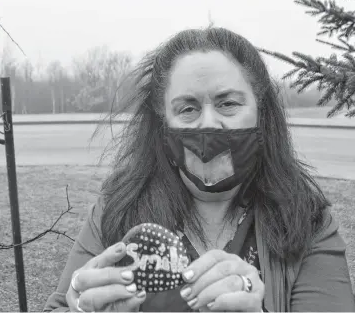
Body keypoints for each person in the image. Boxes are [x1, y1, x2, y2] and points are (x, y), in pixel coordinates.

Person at [44, 27, 355, 312]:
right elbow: (62, 305)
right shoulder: (117, 211)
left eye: (228, 103)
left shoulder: (306, 220)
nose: (208, 122)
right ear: (162, 123)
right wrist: (79, 305)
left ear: (262, 114)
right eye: (188, 108)